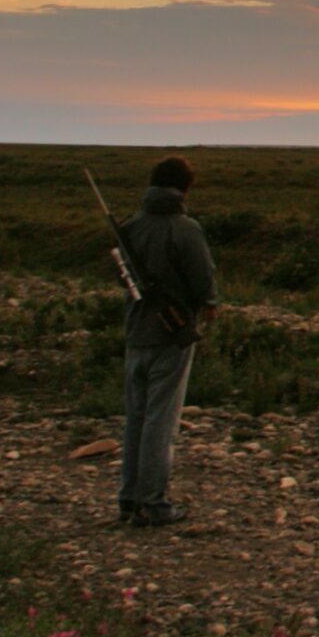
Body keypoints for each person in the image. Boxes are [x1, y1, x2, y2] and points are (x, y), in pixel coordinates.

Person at [117, 155, 219, 528]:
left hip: (135, 333)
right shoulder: (185, 228)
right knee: (161, 421)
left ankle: (129, 500)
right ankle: (153, 504)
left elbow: (122, 277)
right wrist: (209, 305)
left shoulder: (130, 226)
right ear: (185, 187)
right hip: (171, 335)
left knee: (136, 419)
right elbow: (202, 278)